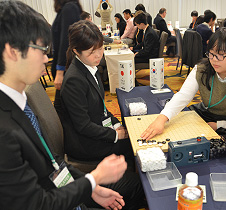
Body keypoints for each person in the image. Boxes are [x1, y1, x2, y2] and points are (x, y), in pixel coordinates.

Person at [0, 1, 144, 210]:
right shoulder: (5, 129)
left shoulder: (19, 104)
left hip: (65, 186)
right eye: (41, 48)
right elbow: (37, 203)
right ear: (12, 51)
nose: (45, 58)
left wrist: (91, 187)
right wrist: (93, 180)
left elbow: (52, 160)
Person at [141, 28, 226, 153]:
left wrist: (219, 125)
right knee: (179, 132)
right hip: (206, 113)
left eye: (220, 55)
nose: (214, 60)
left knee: (213, 150)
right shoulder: (202, 69)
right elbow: (183, 95)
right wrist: (161, 119)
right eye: (211, 53)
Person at [60, 20, 135, 165]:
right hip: (85, 144)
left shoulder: (89, 67)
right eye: (91, 52)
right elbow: (83, 126)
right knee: (133, 145)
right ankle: (128, 183)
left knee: (131, 135)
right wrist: (114, 135)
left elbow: (101, 108)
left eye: (100, 48)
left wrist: (116, 124)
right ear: (76, 51)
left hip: (97, 128)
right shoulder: (74, 80)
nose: (98, 55)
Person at [51, 0, 82, 116]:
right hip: (66, 67)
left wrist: (60, 71)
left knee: (63, 111)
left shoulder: (69, 8)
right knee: (64, 110)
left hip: (65, 69)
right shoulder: (68, 8)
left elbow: (66, 41)